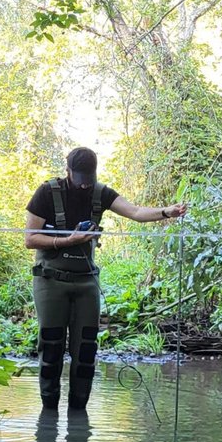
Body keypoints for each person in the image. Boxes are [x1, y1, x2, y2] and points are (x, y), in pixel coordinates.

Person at [24, 147, 187, 410]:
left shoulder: (100, 193)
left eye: (88, 176)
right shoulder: (46, 192)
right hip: (50, 280)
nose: (85, 183)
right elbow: (30, 239)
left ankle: (79, 415)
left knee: (86, 350)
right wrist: (68, 240)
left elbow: (135, 212)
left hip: (86, 282)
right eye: (79, 178)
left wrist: (167, 212)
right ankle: (48, 414)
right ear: (67, 171)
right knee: (51, 346)